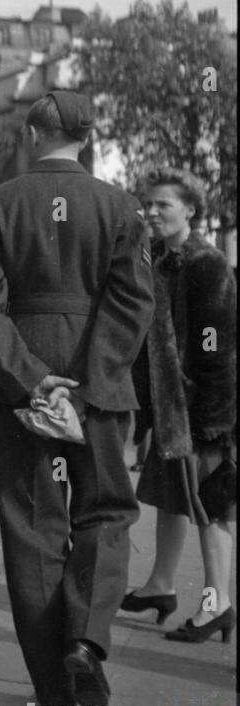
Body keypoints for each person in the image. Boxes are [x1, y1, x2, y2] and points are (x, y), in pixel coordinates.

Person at [0, 90, 155, 706]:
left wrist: (33, 375)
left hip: (22, 389)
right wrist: (91, 381)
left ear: (34, 134)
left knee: (32, 531)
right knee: (105, 513)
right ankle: (88, 644)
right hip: (101, 387)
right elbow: (133, 303)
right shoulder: (122, 207)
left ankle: (54, 688)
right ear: (86, 139)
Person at [123, 167, 235, 644]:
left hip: (203, 413)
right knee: (173, 497)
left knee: (212, 506)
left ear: (190, 210)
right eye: (146, 204)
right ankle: (161, 586)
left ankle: (218, 604)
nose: (151, 212)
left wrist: (210, 421)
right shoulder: (156, 259)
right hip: (171, 410)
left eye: (162, 204)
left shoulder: (206, 264)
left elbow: (219, 346)